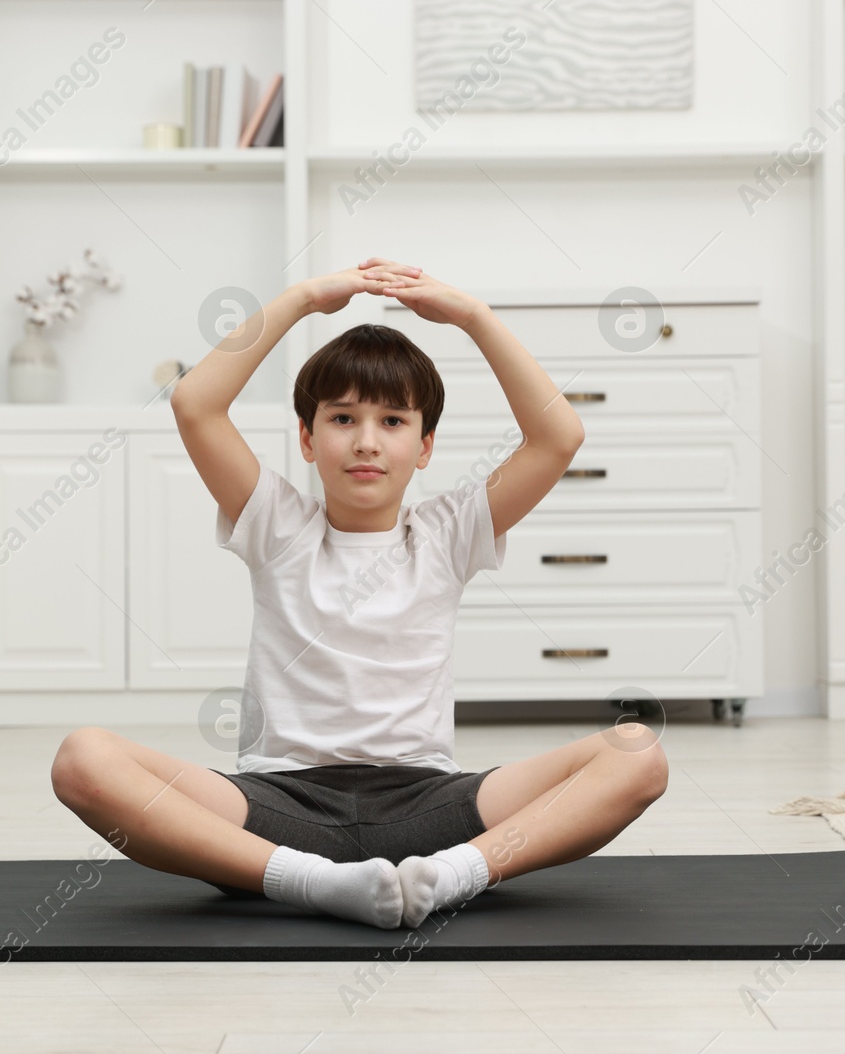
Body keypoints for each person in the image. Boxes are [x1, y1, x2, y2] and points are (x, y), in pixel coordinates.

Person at [50, 258, 668, 929]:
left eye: (394, 422)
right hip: (279, 808)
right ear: (308, 439)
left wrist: (473, 316)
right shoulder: (277, 525)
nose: (367, 442)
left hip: (432, 807)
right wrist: (308, 297)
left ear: (425, 445)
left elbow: (558, 435)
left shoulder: (450, 532)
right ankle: (312, 883)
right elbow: (193, 402)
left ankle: (454, 875)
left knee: (639, 754)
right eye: (343, 418)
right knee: (83, 760)